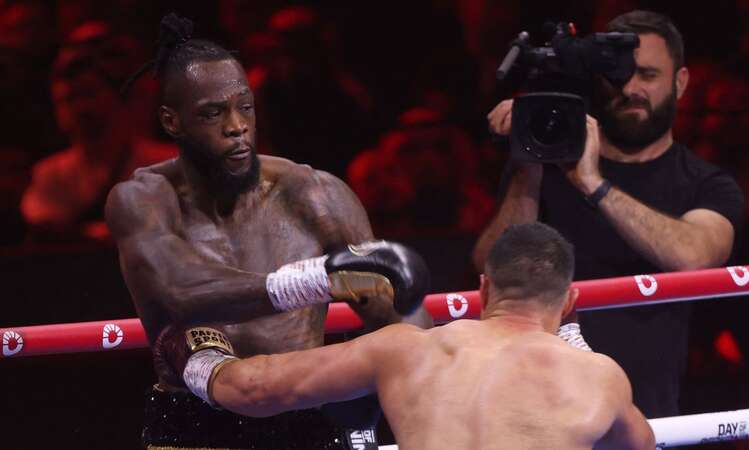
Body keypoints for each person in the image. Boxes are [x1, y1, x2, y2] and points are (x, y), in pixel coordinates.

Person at [105, 14, 431, 450]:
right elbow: (177, 293)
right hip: (192, 422)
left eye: (245, 106)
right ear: (172, 121)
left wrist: (398, 324)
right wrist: (317, 278)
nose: (236, 126)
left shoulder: (317, 196)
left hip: (304, 417)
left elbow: (403, 323)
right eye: (212, 113)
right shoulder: (142, 200)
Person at [162, 223, 655, 450]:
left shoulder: (409, 349)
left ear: (483, 289)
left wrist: (191, 348)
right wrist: (578, 349)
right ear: (569, 301)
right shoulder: (599, 378)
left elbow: (253, 389)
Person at [473, 10, 744, 418]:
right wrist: (527, 165)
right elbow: (489, 266)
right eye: (616, 75)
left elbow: (695, 255)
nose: (630, 88)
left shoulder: (706, 184)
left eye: (648, 75)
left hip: (643, 411)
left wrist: (593, 183)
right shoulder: (545, 165)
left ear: (680, 82)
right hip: (537, 408)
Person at [21, 21, 175, 241]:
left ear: (120, 95)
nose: (80, 108)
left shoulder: (167, 165)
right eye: (68, 99)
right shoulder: (49, 176)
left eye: (88, 93)